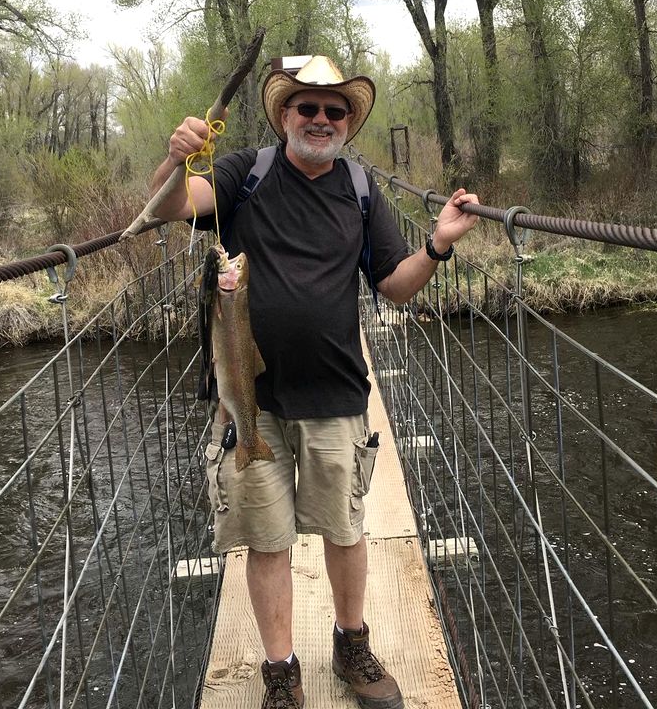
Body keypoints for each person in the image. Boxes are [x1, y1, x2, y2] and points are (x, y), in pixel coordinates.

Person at [150, 55, 479, 709]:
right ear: (284, 115)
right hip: (253, 402)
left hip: (337, 392)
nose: (321, 119)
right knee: (266, 539)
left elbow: (395, 286)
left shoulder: (360, 188)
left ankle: (351, 642)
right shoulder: (246, 170)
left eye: (335, 110)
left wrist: (437, 245)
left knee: (346, 527)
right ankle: (281, 671)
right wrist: (175, 159)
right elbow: (171, 208)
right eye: (308, 107)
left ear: (349, 123)